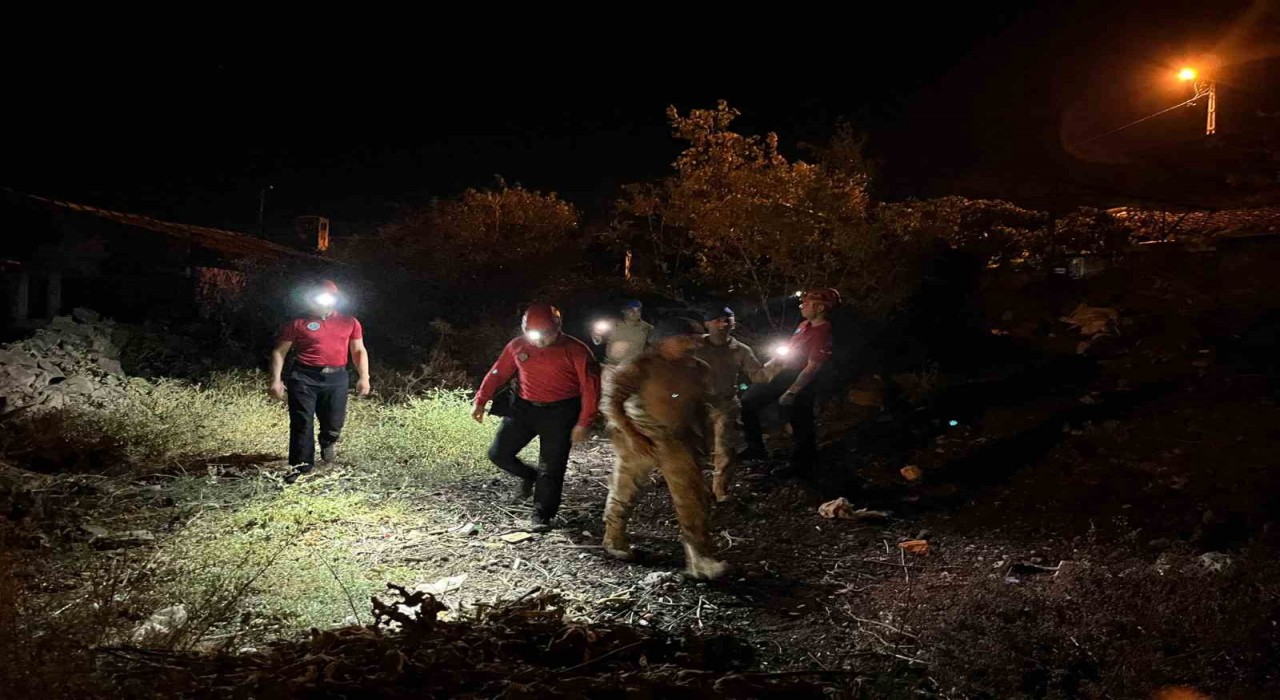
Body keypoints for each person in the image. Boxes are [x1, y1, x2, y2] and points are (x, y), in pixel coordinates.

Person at [602, 316, 727, 580]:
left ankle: (699, 556)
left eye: (694, 340)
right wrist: (632, 435)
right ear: (662, 342)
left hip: (677, 440)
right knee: (625, 488)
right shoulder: (639, 367)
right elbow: (613, 402)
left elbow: (703, 406)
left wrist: (704, 438)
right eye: (684, 339)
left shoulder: (698, 368)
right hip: (640, 437)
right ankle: (614, 537)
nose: (692, 345)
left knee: (691, 497)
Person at [473, 303, 601, 532]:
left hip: (561, 412)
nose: (540, 341)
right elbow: (498, 371)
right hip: (524, 408)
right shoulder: (517, 346)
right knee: (498, 454)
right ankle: (529, 476)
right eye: (534, 335)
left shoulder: (577, 350)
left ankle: (542, 514)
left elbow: (591, 388)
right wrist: (481, 400)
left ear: (558, 328)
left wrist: (584, 422)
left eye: (546, 335)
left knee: (551, 467)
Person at [269, 279, 370, 483]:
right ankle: (300, 466)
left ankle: (328, 441)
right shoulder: (298, 323)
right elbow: (279, 352)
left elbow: (358, 350)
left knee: (334, 421)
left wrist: (364, 377)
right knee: (301, 422)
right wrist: (276, 380)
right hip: (304, 377)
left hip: (337, 376)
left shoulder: (349, 322)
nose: (324, 301)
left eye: (329, 297)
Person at [740, 288, 840, 478]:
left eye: (807, 303)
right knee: (748, 402)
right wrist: (769, 367)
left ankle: (803, 461)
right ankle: (755, 448)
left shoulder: (822, 333)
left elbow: (812, 367)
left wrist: (792, 392)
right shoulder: (804, 325)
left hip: (801, 378)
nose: (802, 306)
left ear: (820, 308)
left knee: (801, 419)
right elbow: (791, 348)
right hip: (783, 373)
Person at [694, 305, 770, 501]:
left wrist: (779, 362)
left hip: (725, 404)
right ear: (707, 324)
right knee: (695, 448)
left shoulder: (741, 350)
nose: (723, 324)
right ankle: (694, 489)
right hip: (697, 404)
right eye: (717, 320)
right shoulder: (694, 347)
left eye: (727, 320)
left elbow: (759, 376)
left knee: (725, 449)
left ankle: (720, 490)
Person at [591, 300, 653, 411]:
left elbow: (652, 347)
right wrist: (597, 334)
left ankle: (632, 424)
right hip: (612, 367)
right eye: (631, 310)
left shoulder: (647, 328)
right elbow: (598, 341)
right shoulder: (614, 325)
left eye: (638, 310)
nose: (635, 312)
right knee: (609, 400)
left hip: (633, 368)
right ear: (624, 311)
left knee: (633, 403)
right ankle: (610, 424)